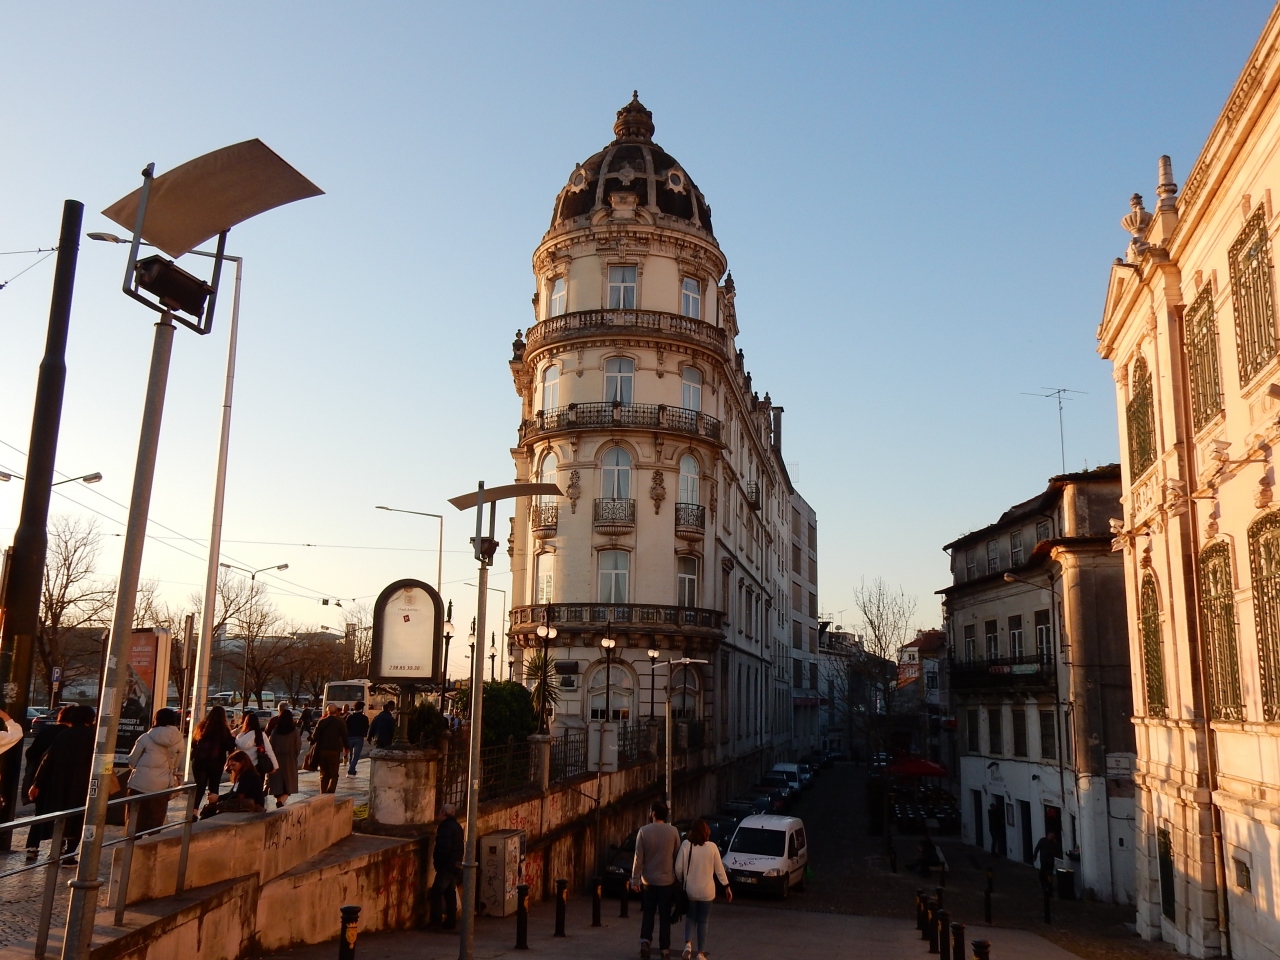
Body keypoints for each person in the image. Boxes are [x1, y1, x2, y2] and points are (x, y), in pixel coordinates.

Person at [29, 704, 96, 865]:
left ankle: (56, 850)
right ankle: (69, 854)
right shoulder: (94, 735)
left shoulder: (64, 735)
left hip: (59, 782)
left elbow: (47, 760)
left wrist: (36, 783)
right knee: (79, 818)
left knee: (60, 817)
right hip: (83, 784)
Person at [674, 819, 731, 960]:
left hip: (690, 890)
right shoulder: (712, 847)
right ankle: (700, 953)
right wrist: (726, 886)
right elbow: (719, 870)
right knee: (703, 921)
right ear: (706, 832)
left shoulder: (686, 845)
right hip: (707, 891)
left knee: (690, 917)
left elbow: (678, 868)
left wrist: (682, 880)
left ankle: (688, 945)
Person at [631, 799, 681, 960]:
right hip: (667, 881)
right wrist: (677, 878)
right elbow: (677, 856)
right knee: (665, 916)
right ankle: (665, 949)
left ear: (653, 813)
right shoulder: (673, 831)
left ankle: (645, 941)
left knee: (648, 913)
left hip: (649, 880)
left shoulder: (643, 831)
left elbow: (638, 858)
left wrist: (635, 880)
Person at [23, 706, 74, 861]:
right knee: (62, 815)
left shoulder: (46, 732)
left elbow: (30, 753)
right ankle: (59, 846)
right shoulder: (70, 734)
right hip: (62, 781)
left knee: (40, 813)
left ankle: (32, 847)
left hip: (41, 780)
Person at [125, 708, 185, 833]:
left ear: (156, 719)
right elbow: (177, 764)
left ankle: (133, 844)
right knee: (155, 822)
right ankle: (152, 843)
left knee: (135, 823)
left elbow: (132, 760)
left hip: (139, 784)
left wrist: (139, 768)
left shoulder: (145, 737)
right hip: (162, 787)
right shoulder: (179, 740)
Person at [191, 706, 238, 809]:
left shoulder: (201, 727)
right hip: (216, 762)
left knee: (200, 788)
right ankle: (211, 810)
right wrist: (233, 738)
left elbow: (193, 743)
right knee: (214, 787)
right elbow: (229, 746)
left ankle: (194, 811)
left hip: (199, 762)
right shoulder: (223, 729)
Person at [200, 750, 266, 818]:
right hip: (244, 805)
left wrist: (218, 798)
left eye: (233, 765)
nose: (231, 768)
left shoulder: (248, 776)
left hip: (251, 807)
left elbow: (237, 794)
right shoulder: (242, 775)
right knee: (209, 809)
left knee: (210, 812)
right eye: (230, 765)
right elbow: (233, 792)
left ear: (242, 763)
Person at [430, 802, 464, 929]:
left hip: (447, 866)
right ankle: (451, 921)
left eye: (440, 812)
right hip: (455, 864)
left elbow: (443, 848)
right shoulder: (457, 826)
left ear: (444, 813)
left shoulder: (445, 827)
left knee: (436, 892)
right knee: (450, 893)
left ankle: (436, 922)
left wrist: (438, 864)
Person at [310, 703, 348, 794]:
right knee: (334, 773)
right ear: (336, 711)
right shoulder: (340, 722)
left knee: (323, 773)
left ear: (327, 711)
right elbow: (345, 736)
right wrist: (346, 747)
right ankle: (330, 790)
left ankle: (323, 792)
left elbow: (314, 736)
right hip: (334, 750)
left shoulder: (321, 722)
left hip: (322, 750)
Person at [267, 708, 301, 808]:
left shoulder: (275, 732)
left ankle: (279, 801)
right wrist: (294, 756)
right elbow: (297, 747)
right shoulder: (294, 732)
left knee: (277, 783)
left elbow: (271, 746)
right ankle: (281, 802)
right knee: (288, 784)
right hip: (289, 759)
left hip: (276, 759)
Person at [235, 710, 279, 779]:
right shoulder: (260, 735)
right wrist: (275, 766)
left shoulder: (240, 737)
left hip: (243, 766)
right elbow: (269, 750)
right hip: (258, 765)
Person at [344, 701, 370, 774]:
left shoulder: (350, 717)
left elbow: (345, 727)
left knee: (350, 755)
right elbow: (366, 727)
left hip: (350, 737)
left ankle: (351, 767)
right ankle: (351, 769)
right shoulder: (364, 718)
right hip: (359, 737)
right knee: (356, 756)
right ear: (362, 708)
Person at [1033, 829, 1061, 894]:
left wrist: (1055, 844)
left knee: (1050, 873)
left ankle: (1050, 885)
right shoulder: (1042, 841)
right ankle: (1042, 883)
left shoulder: (1053, 842)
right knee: (1043, 871)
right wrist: (1035, 856)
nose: (1051, 837)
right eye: (1051, 836)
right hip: (1044, 859)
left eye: (1053, 836)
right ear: (1048, 835)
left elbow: (1057, 850)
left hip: (1050, 860)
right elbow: (1037, 848)